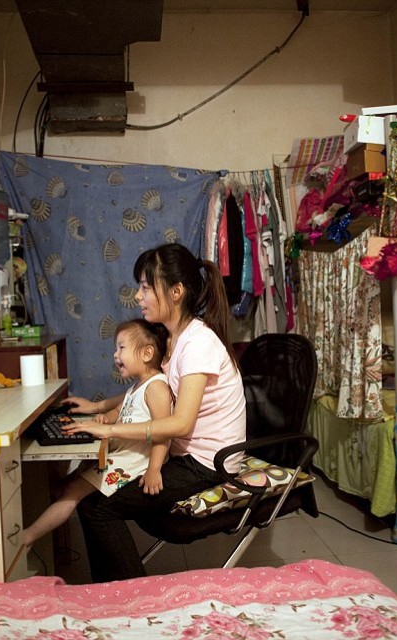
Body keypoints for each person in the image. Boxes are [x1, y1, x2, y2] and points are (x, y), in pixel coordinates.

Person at [62, 242, 247, 582]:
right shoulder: (173, 339)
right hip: (186, 456)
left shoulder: (198, 344)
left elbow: (179, 423)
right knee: (91, 500)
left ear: (176, 292)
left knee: (100, 507)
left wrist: (110, 430)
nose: (138, 296)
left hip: (208, 464)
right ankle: (110, 593)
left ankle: (135, 601)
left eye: (146, 286)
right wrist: (100, 407)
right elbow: (149, 389)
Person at [21, 319, 172, 556]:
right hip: (122, 452)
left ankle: (27, 537)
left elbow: (163, 432)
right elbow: (123, 409)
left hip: (135, 462)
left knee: (73, 491)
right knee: (76, 474)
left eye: (121, 348)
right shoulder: (138, 386)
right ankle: (59, 490)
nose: (115, 355)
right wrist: (105, 417)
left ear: (147, 353)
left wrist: (154, 469)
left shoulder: (157, 388)